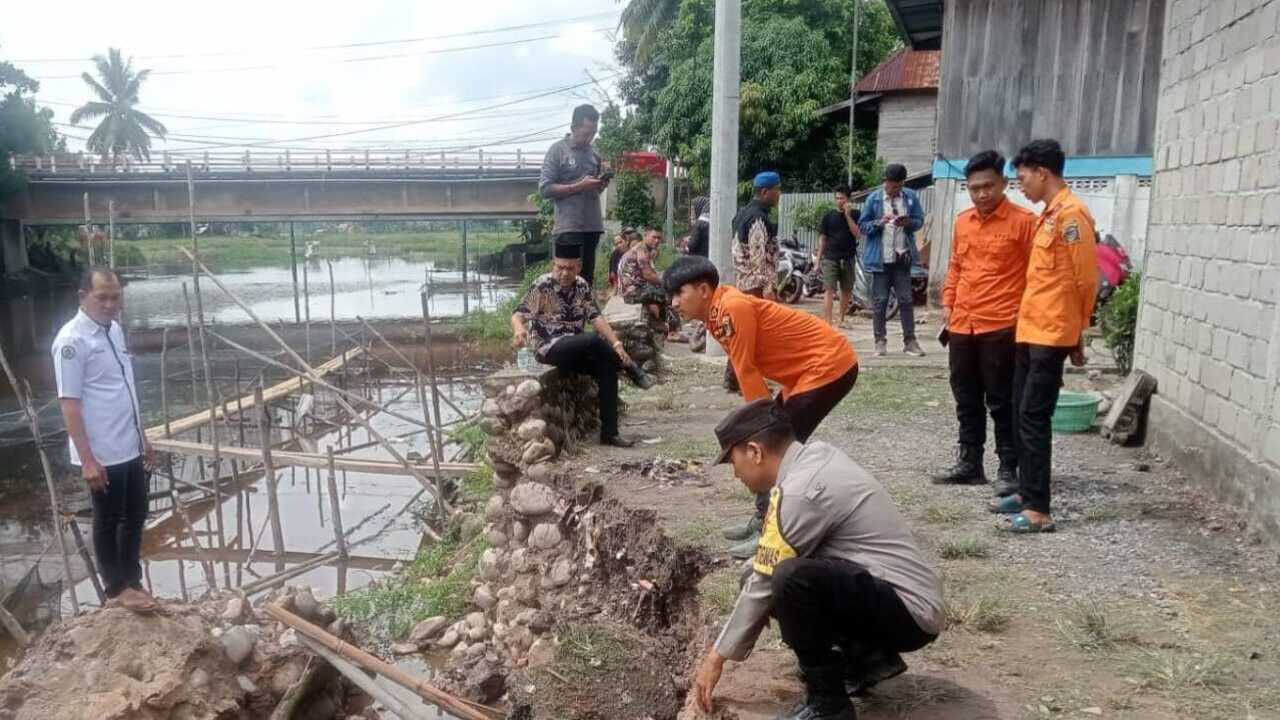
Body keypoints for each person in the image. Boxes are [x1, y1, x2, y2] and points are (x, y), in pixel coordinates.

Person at [691, 400, 944, 720]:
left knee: (790, 579)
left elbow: (766, 581)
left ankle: (827, 703)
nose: (736, 474)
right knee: (767, 573)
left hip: (909, 612)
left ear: (754, 451)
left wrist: (716, 657)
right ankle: (867, 660)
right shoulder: (814, 459)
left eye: (733, 462)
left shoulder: (801, 490)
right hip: (895, 597)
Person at [663, 255, 858, 559]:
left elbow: (747, 371)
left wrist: (760, 428)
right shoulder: (718, 312)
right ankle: (762, 519)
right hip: (806, 373)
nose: (674, 302)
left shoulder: (730, 308)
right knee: (769, 446)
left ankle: (773, 530)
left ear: (703, 290)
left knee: (774, 450)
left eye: (679, 293)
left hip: (828, 365)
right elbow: (746, 369)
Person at [989, 139, 1098, 533]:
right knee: (1021, 410)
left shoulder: (1073, 216)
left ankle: (1039, 508)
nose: (1022, 186)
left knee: (1034, 416)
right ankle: (1024, 489)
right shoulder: (1048, 216)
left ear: (1042, 173)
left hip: (1052, 333)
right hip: (1030, 328)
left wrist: (1079, 332)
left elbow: (1086, 280)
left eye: (1023, 178)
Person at [52, 267, 158, 613]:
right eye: (103, 297)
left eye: (115, 297)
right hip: (101, 450)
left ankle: (132, 578)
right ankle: (116, 587)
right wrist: (88, 459)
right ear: (83, 296)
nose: (111, 304)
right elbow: (70, 404)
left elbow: (124, 388)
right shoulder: (72, 341)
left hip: (127, 442)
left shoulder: (112, 330)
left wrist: (142, 434)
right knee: (108, 517)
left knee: (137, 511)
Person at [932, 150, 1037, 491]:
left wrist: (1026, 316)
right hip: (962, 324)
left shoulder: (1024, 222)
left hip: (1002, 325)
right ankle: (970, 462)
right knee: (965, 396)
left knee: (1002, 399)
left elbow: (1037, 275)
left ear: (1004, 184)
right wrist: (948, 304)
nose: (981, 194)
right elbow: (956, 266)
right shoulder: (963, 221)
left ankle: (1008, 467)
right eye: (974, 188)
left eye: (987, 186)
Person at [511, 244, 655, 448]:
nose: (564, 273)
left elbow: (596, 317)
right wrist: (519, 330)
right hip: (549, 348)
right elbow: (518, 315)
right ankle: (631, 369)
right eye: (560, 267)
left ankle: (610, 433)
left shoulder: (581, 286)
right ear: (554, 264)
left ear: (578, 267)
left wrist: (616, 343)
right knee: (593, 340)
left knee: (607, 368)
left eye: (570, 268)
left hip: (576, 348)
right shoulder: (542, 285)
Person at [858, 164, 926, 357]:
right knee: (880, 301)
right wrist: (878, 223)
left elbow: (919, 221)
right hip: (881, 259)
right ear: (885, 181)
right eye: (890, 185)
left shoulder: (910, 197)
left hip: (902, 257)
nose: (894, 190)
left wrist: (908, 223)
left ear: (902, 184)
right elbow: (862, 226)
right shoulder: (874, 199)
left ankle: (910, 341)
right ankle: (879, 341)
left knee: (906, 300)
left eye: (897, 187)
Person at [539, 104, 610, 287]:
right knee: (565, 279)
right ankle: (563, 315)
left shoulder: (594, 153)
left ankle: (585, 315)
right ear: (574, 128)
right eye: (586, 132)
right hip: (568, 227)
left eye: (593, 133)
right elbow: (545, 189)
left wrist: (600, 185)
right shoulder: (558, 150)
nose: (590, 137)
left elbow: (594, 189)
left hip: (592, 225)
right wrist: (579, 185)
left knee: (586, 280)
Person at [724, 171, 782, 391]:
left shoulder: (743, 213)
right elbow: (758, 254)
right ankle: (744, 380)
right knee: (752, 336)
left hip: (745, 282)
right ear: (765, 192)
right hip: (755, 285)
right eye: (777, 190)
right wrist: (767, 287)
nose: (779, 195)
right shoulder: (757, 217)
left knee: (744, 334)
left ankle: (733, 377)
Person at [618, 226, 678, 332]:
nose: (657, 241)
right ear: (645, 235)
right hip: (632, 293)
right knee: (669, 294)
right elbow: (648, 275)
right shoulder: (641, 250)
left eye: (659, 238)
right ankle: (673, 331)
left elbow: (652, 273)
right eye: (654, 237)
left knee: (661, 290)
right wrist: (669, 283)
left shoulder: (644, 249)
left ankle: (657, 322)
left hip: (635, 289)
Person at [817, 184, 862, 327]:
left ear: (849, 199)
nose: (839, 201)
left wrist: (848, 216)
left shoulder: (856, 214)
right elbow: (823, 239)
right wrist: (817, 260)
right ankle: (828, 322)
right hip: (831, 257)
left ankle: (841, 318)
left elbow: (858, 234)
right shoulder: (828, 216)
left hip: (848, 257)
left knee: (846, 290)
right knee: (829, 289)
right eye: (836, 198)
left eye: (842, 198)